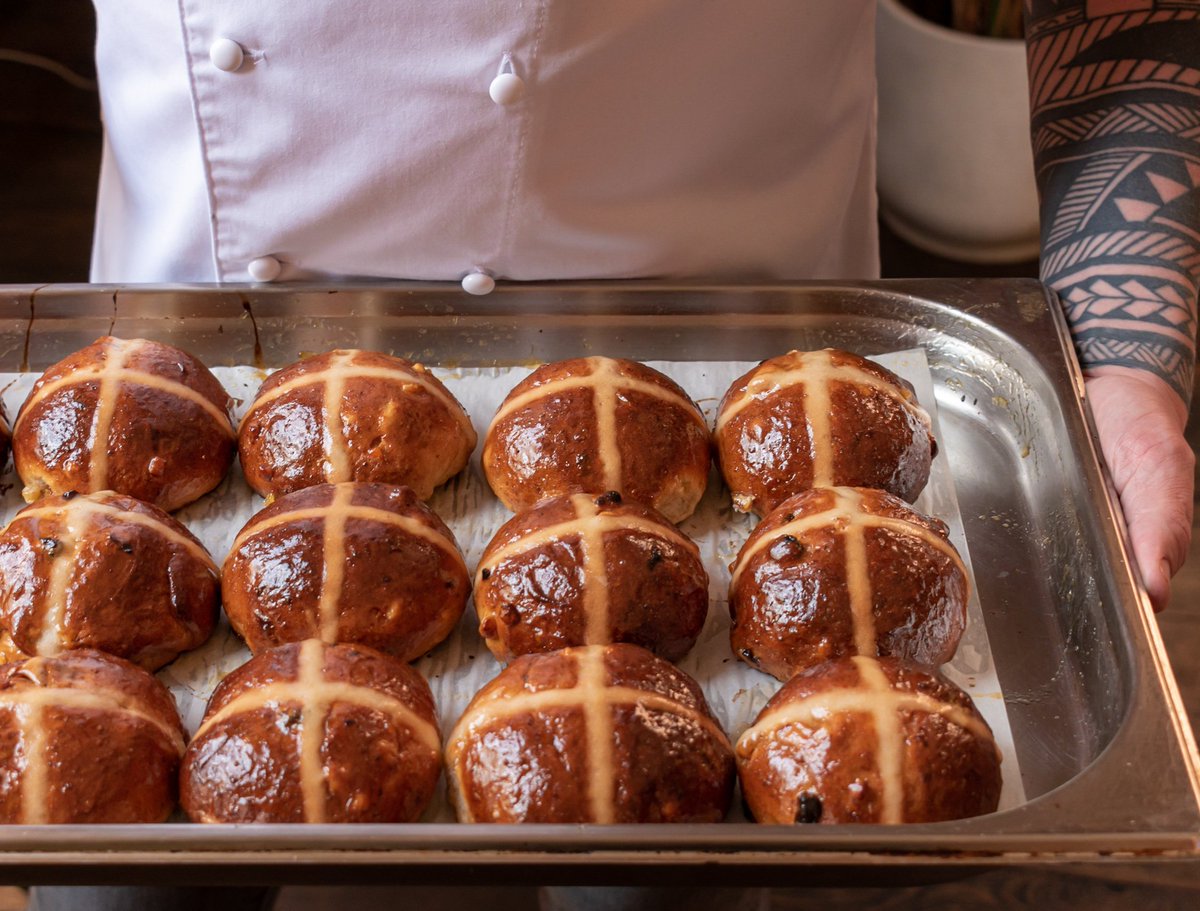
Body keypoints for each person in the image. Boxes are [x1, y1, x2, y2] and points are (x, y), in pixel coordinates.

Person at [32, 0, 1199, 908]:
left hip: (733, 309)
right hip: (192, 328)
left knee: (647, 850)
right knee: (105, 846)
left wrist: (1126, 354)